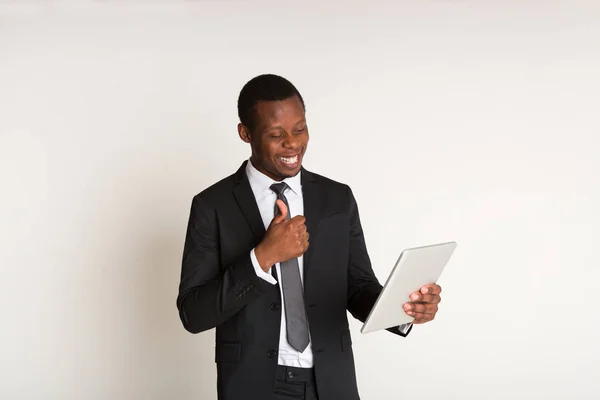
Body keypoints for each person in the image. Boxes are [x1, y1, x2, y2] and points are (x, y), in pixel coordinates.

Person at [176, 74, 443, 400]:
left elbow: (357, 287)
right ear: (245, 133)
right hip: (253, 385)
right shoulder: (212, 206)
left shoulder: (337, 199)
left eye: (300, 129)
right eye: (276, 134)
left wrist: (404, 310)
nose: (292, 143)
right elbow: (193, 313)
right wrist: (262, 257)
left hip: (332, 382)